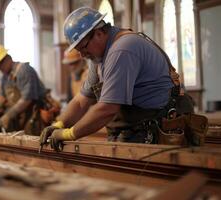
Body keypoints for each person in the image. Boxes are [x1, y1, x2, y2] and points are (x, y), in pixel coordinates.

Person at [40, 7, 207, 151]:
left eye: (83, 48)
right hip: (137, 125)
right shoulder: (98, 57)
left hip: (159, 127)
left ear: (98, 33)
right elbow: (81, 101)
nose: (82, 55)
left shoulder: (122, 50)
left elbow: (107, 109)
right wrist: (59, 124)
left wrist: (70, 133)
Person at [0, 44, 60, 135]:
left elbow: (27, 99)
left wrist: (9, 114)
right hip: (23, 115)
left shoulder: (24, 70)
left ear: (8, 58)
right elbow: (1, 96)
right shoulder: (6, 76)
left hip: (36, 115)